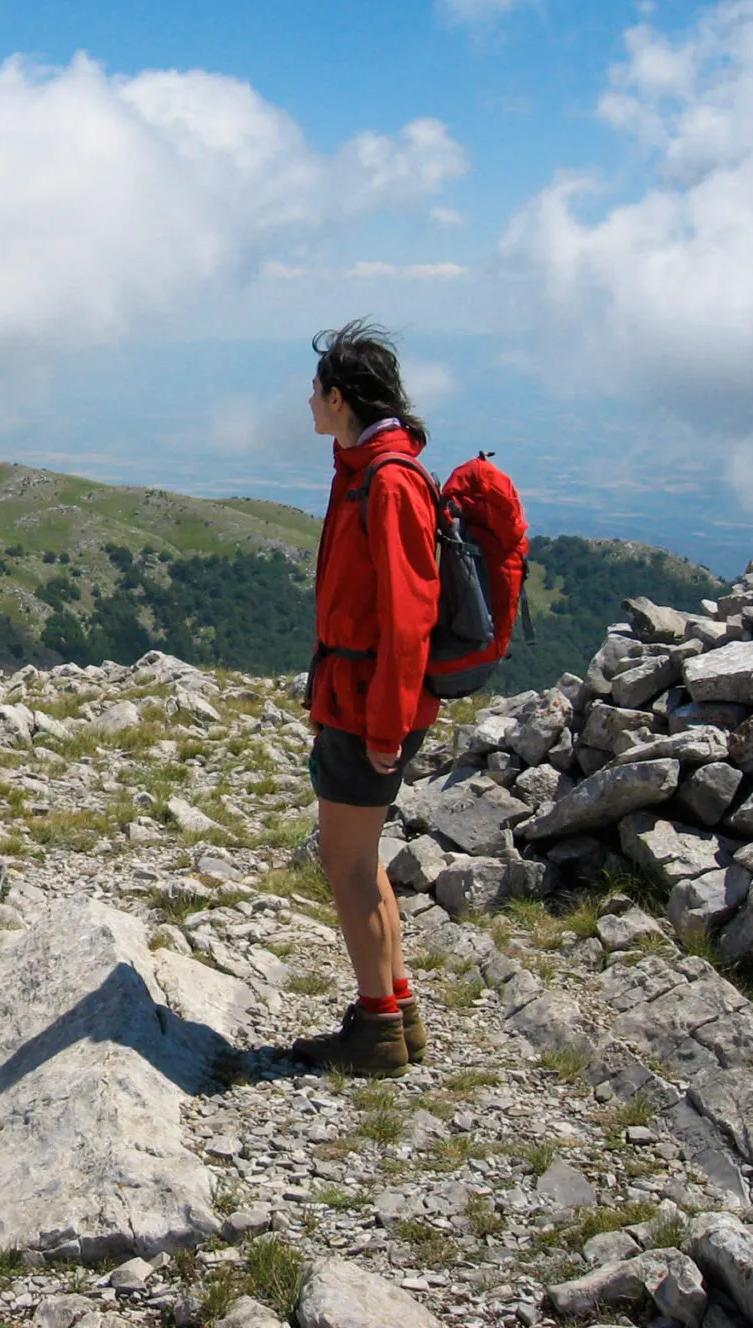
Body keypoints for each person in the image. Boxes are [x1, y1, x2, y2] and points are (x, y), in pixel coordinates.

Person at [292, 322, 442, 1078]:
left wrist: (384, 724)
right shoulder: (370, 468)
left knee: (344, 862)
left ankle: (375, 1031)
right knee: (363, 857)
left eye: (318, 389)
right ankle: (397, 1008)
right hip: (356, 699)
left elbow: (409, 615)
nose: (309, 400)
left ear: (341, 398)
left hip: (366, 707)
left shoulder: (386, 481)